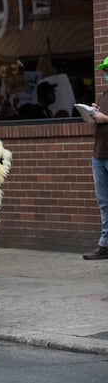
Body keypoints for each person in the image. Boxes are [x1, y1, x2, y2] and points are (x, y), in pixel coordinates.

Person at [84, 57, 108, 260]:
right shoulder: (104, 95)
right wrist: (95, 112)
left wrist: (105, 118)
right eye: (105, 70)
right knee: (104, 203)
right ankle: (105, 245)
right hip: (99, 156)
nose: (106, 74)